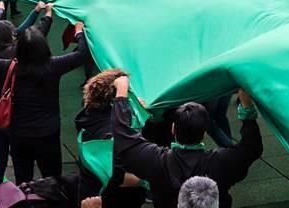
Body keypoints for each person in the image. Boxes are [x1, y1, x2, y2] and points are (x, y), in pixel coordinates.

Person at [113, 76, 263, 208]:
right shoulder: (222, 162)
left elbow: (123, 136)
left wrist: (122, 95)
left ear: (173, 129)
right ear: (204, 132)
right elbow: (252, 147)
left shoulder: (156, 161)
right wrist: (246, 107)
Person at [0, 20, 89, 184]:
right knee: (52, 179)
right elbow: (82, 54)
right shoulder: (54, 66)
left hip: (19, 134)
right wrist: (79, 32)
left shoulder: (9, 67)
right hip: (48, 134)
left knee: (23, 181)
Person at [76, 69, 146, 207]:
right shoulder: (109, 134)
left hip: (91, 190)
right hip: (109, 199)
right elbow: (118, 177)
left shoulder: (89, 116)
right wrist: (146, 178)